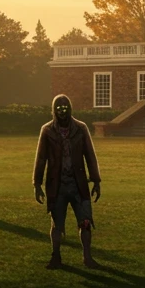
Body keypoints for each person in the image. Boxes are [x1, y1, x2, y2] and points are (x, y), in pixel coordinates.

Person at [33, 95, 102, 269]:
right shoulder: (47, 130)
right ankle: (55, 256)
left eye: (65, 107)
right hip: (57, 185)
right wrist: (37, 183)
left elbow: (90, 155)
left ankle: (87, 257)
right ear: (54, 109)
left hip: (79, 183)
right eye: (59, 107)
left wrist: (96, 180)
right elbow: (41, 158)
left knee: (85, 222)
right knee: (57, 223)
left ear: (70, 108)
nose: (62, 110)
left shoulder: (81, 128)